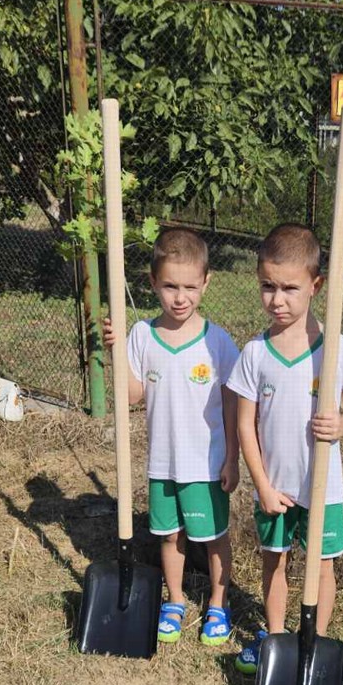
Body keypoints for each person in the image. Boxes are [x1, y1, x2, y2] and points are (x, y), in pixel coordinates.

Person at [227, 222, 343, 675]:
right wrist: (262, 486)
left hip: (321, 489)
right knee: (274, 563)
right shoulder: (255, 353)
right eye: (268, 286)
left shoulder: (334, 349)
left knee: (321, 567)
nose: (277, 299)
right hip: (276, 488)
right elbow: (245, 424)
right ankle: (274, 636)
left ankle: (316, 643)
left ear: (315, 285)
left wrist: (342, 423)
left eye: (290, 288)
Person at [103, 227, 240, 645]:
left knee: (214, 537)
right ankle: (176, 599)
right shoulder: (142, 337)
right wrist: (116, 354)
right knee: (169, 535)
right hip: (162, 462)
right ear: (152, 283)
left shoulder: (217, 343)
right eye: (169, 286)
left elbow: (234, 404)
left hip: (204, 464)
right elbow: (130, 396)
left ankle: (218, 601)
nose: (180, 297)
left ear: (206, 283)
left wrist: (232, 457)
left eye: (189, 287)